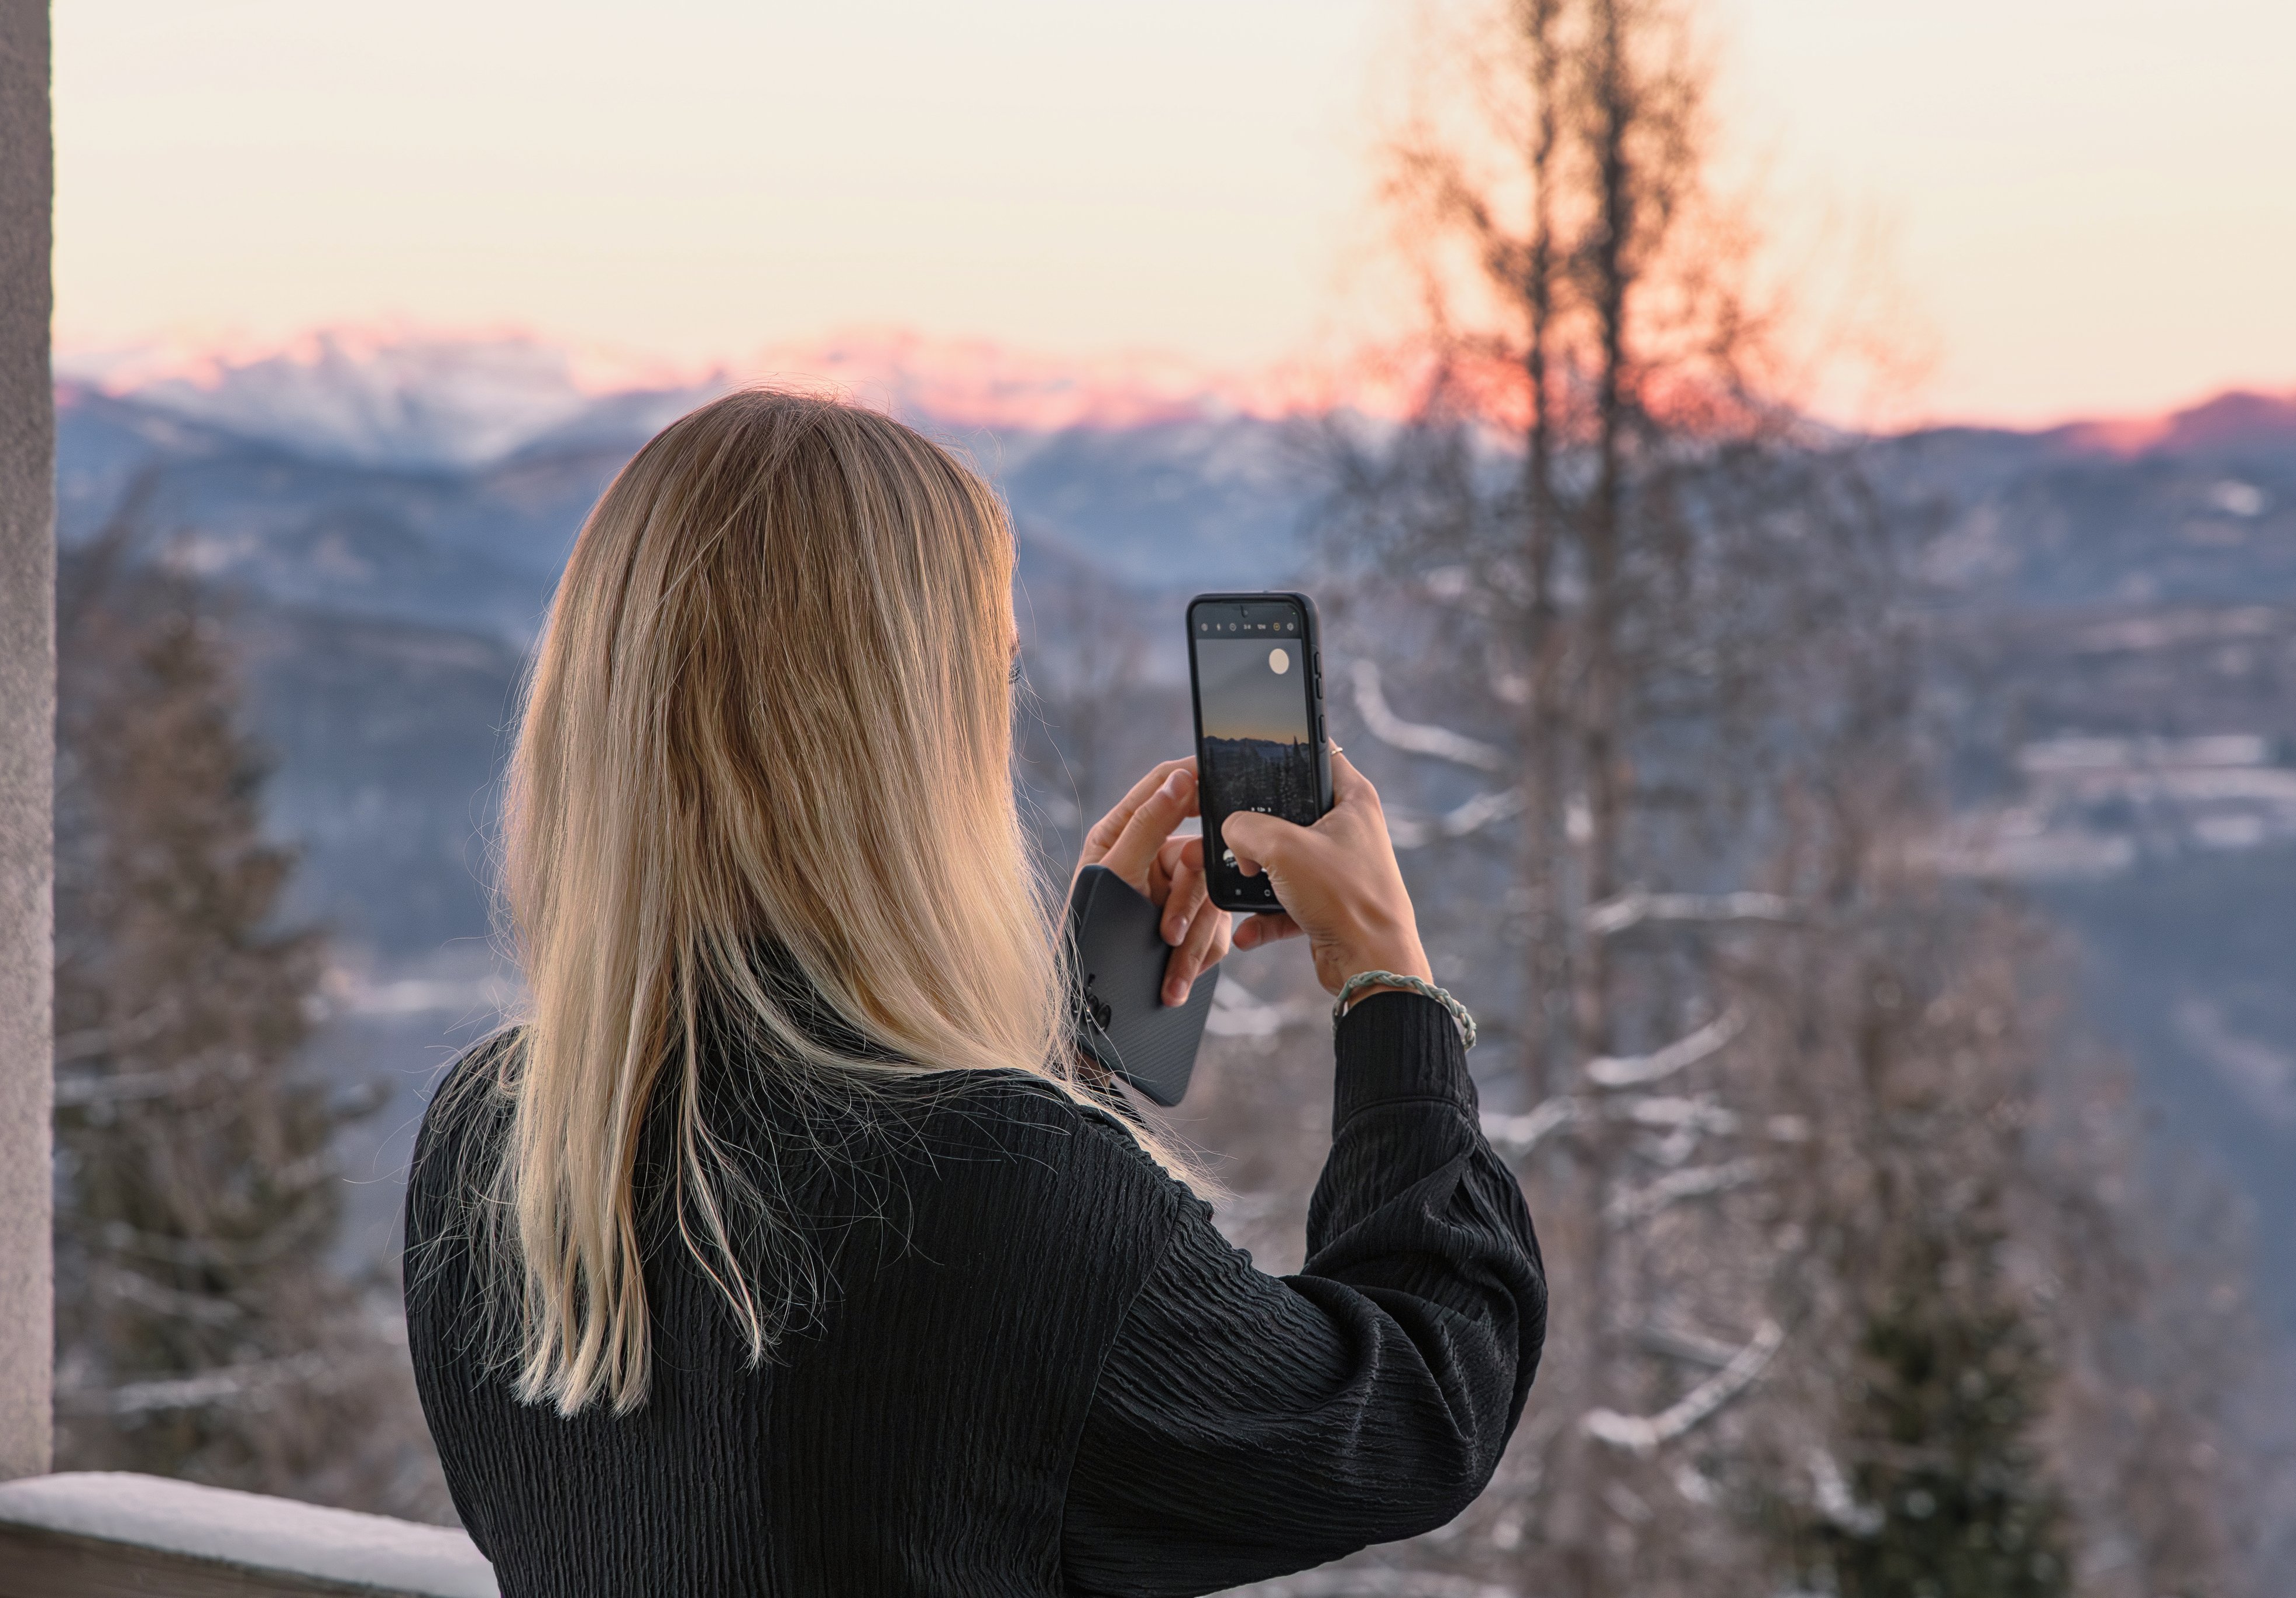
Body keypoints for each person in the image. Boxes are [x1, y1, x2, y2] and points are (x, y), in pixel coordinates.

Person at [403, 390, 1546, 1597]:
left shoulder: (498, 1140)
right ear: (900, 735)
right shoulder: (1002, 1189)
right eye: (988, 678)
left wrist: (1082, 1020)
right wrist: (1387, 983)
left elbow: (912, 1404)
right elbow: (1415, 1406)